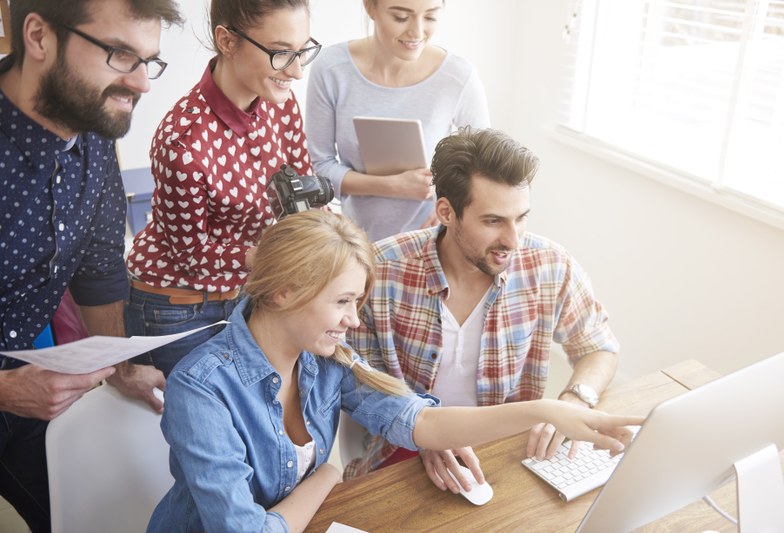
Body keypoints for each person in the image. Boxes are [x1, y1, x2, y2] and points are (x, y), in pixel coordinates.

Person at [147, 209, 642, 532]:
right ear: (282, 293)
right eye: (342, 301)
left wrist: (547, 409)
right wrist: (326, 476)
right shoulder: (201, 389)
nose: (353, 320)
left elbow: (421, 423)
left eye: (357, 301)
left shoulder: (324, 361)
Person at [345, 127, 621, 493]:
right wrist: (423, 431)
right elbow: (354, 378)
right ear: (446, 211)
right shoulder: (381, 269)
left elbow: (598, 346)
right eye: (493, 221)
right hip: (405, 448)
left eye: (521, 217)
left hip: (510, 449)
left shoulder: (550, 266)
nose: (513, 240)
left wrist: (576, 399)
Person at [0, 0, 183, 531]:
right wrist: (6, 391)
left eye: (149, 60)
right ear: (39, 37)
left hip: (27, 377)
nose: (144, 83)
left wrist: (122, 366)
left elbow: (99, 267)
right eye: (121, 55)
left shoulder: (93, 128)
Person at [126, 0, 322, 376]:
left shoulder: (281, 103)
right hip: (178, 307)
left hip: (247, 291)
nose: (297, 71)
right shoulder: (182, 142)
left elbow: (304, 195)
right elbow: (193, 255)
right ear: (228, 42)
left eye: (302, 51)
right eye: (281, 53)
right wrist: (280, 255)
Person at [305, 0, 490, 242]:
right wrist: (393, 185)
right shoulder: (331, 69)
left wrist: (454, 205)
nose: (417, 32)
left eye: (431, 17)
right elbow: (318, 168)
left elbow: (484, 168)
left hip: (432, 241)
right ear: (370, 7)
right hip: (354, 242)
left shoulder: (458, 77)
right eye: (401, 17)